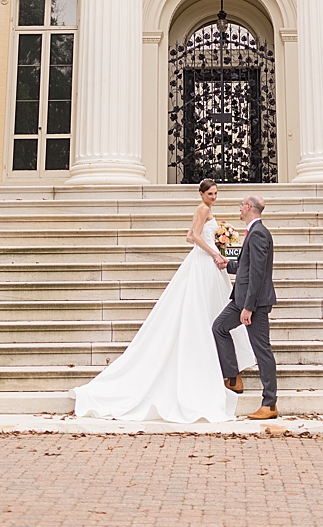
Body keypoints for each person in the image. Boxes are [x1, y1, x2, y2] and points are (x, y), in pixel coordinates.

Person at [73, 179, 255, 422]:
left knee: (214, 305)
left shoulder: (206, 210)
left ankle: (228, 369)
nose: (214, 197)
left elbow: (189, 236)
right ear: (201, 194)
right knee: (206, 307)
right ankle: (220, 369)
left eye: (216, 193)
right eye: (210, 193)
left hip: (207, 261)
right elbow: (196, 237)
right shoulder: (202, 209)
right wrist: (214, 251)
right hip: (205, 262)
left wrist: (218, 239)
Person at [213, 193, 279, 419]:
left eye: (242, 205)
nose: (240, 209)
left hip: (255, 303)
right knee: (220, 327)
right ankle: (233, 377)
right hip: (240, 299)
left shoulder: (259, 233)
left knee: (262, 350)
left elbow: (258, 274)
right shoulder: (253, 232)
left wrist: (249, 307)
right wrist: (226, 264)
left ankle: (269, 403)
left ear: (249, 206)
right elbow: (245, 265)